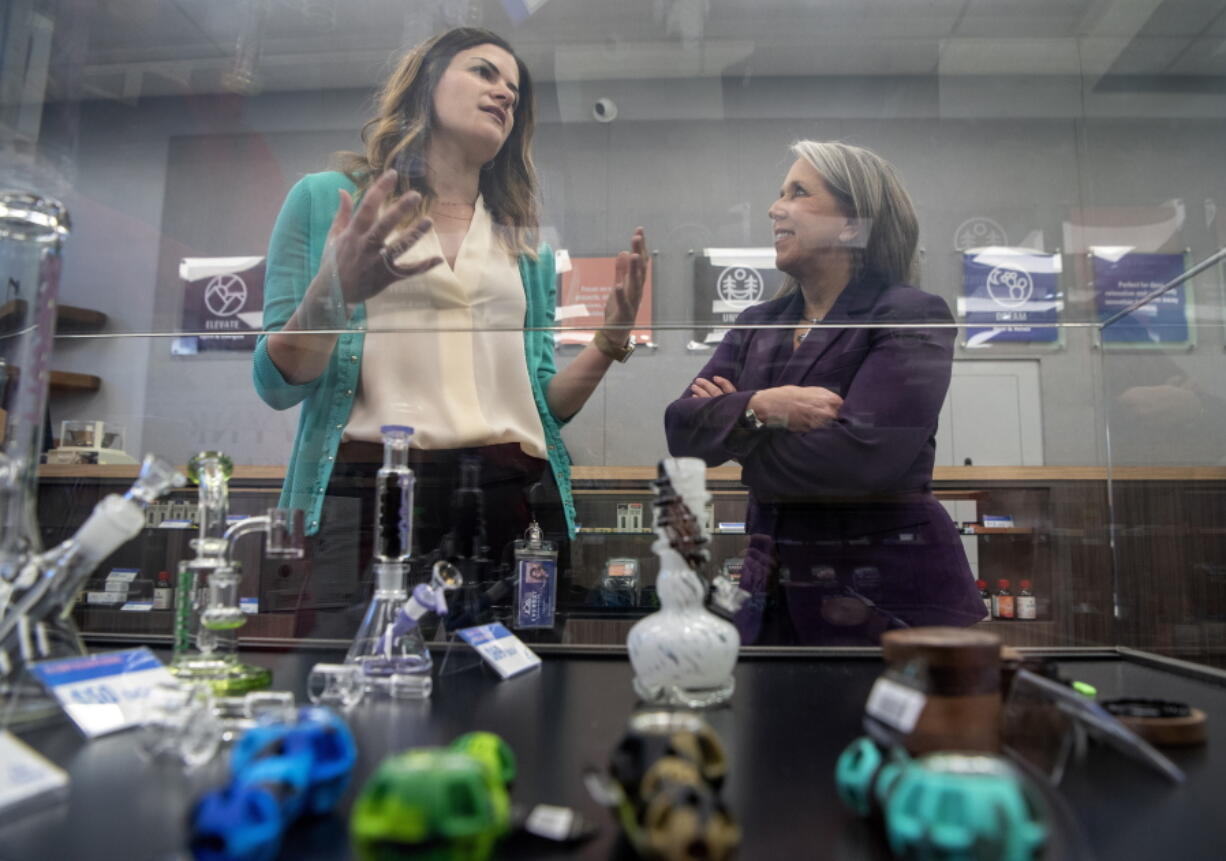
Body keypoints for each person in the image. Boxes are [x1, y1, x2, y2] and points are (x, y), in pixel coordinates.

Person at [254, 28, 646, 609]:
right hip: (374, 488)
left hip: (510, 492)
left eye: (514, 89)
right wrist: (334, 296)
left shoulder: (524, 246)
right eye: (484, 73)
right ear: (427, 83)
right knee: (356, 680)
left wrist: (608, 343)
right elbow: (276, 384)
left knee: (518, 689)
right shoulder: (327, 199)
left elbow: (544, 405)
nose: (506, 94)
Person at [664, 140, 984, 645]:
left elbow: (857, 459)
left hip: (888, 599)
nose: (774, 208)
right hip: (772, 595)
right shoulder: (758, 322)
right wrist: (761, 407)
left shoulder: (907, 313)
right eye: (780, 193)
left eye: (798, 193)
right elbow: (682, 429)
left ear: (852, 225)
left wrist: (736, 434)